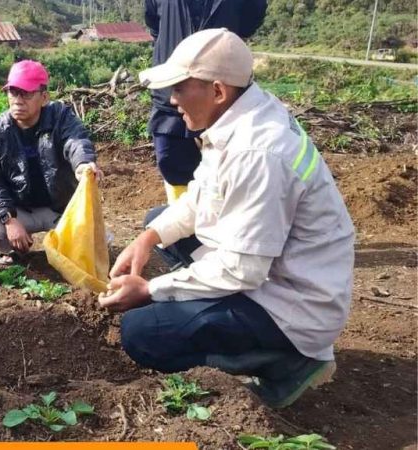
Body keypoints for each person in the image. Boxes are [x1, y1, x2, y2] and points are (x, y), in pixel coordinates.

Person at [100, 29, 354, 409]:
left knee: (141, 332)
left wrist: (151, 291)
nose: (172, 100)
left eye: (180, 89)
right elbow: (201, 197)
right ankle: (241, 329)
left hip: (295, 305)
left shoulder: (258, 151)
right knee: (159, 220)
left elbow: (243, 269)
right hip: (281, 271)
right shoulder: (238, 117)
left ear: (217, 91)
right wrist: (148, 238)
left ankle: (289, 361)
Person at [0, 60, 102, 264]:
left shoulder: (60, 117)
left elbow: (76, 141)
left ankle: (65, 241)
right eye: (13, 92)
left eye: (26, 93)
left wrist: (83, 164)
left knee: (95, 245)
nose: (18, 100)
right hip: (20, 209)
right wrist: (9, 220)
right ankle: (13, 249)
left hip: (60, 207)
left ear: (44, 97)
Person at [145, 0, 267, 203]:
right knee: (172, 164)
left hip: (222, 99)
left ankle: (214, 223)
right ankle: (187, 226)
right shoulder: (175, 98)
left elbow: (250, 21)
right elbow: (154, 23)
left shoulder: (259, 146)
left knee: (226, 170)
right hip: (172, 97)